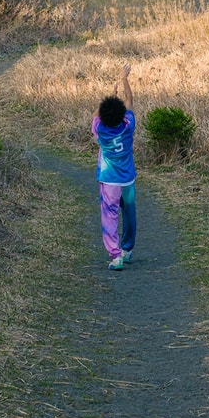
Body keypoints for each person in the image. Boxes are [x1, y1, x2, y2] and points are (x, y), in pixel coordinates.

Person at [92, 62, 136, 271]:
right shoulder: (128, 125)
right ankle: (127, 250)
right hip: (127, 179)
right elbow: (129, 100)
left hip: (109, 180)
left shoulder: (100, 129)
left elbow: (96, 115)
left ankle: (115, 255)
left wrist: (109, 94)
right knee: (129, 213)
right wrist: (124, 79)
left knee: (109, 216)